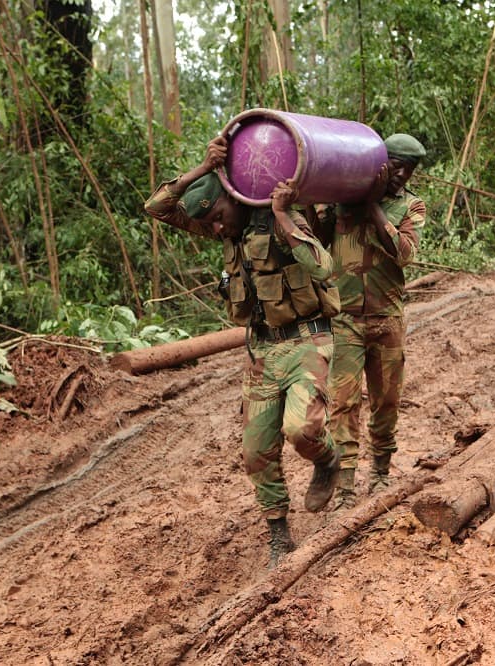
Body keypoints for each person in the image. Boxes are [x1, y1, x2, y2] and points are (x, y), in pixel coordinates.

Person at [144, 135, 342, 568]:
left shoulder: (279, 215)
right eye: (211, 224)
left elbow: (323, 266)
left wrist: (283, 215)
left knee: (302, 431)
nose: (215, 229)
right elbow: (157, 208)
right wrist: (202, 168)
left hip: (307, 340)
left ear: (232, 202)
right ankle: (279, 537)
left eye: (217, 218)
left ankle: (328, 460)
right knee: (255, 452)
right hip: (262, 352)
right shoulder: (224, 227)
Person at [310, 133, 427, 510]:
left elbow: (404, 253)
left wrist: (373, 207)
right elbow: (315, 237)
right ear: (378, 161)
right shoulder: (343, 201)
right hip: (345, 320)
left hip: (388, 320)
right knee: (343, 404)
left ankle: (380, 473)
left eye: (408, 170)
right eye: (395, 166)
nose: (402, 175)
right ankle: (344, 488)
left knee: (386, 402)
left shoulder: (410, 206)